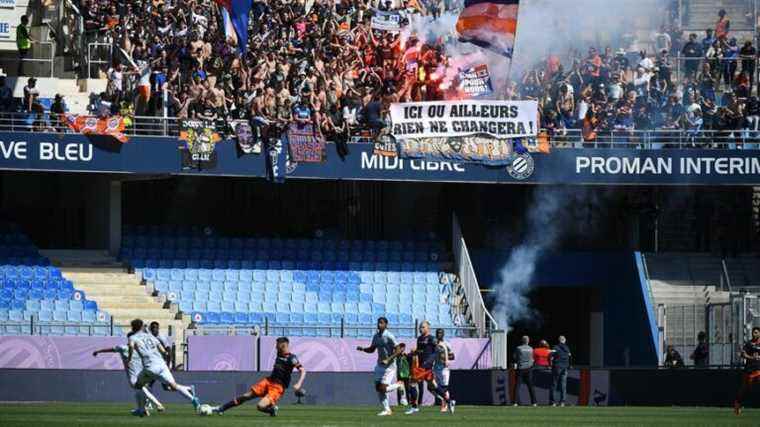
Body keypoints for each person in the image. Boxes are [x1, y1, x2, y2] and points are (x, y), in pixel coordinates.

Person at [212, 337, 305, 417]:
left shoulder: (292, 358)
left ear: (284, 345)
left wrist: (298, 383)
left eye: (277, 345)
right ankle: (222, 408)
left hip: (277, 387)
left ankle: (271, 410)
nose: (276, 346)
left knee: (260, 406)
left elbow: (303, 371)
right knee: (246, 396)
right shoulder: (279, 353)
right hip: (268, 381)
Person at [128, 319, 200, 416]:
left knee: (138, 386)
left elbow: (131, 347)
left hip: (150, 367)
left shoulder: (133, 337)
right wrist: (166, 357)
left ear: (133, 328)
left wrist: (129, 358)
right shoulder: (150, 336)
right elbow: (163, 351)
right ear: (141, 327)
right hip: (162, 365)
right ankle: (194, 400)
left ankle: (141, 410)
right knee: (174, 385)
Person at [93, 332, 165, 415]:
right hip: (143, 374)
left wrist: (98, 351)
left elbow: (110, 349)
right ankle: (141, 410)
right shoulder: (140, 349)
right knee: (138, 392)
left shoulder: (123, 348)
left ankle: (158, 405)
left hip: (133, 376)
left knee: (142, 391)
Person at [357, 317, 406, 416]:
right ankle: (387, 410)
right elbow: (372, 349)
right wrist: (363, 349)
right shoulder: (376, 336)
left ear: (386, 325)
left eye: (382, 323)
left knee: (382, 388)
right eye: (378, 323)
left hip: (390, 366)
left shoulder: (389, 336)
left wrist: (388, 359)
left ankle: (399, 385)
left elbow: (398, 350)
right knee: (378, 388)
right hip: (379, 365)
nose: (379, 325)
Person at [406, 320, 437, 415]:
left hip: (426, 366)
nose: (420, 329)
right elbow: (420, 351)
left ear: (428, 328)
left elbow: (436, 351)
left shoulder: (432, 338)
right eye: (420, 327)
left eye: (423, 327)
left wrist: (430, 361)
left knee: (412, 382)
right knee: (432, 386)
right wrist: (412, 353)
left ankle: (414, 407)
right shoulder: (419, 339)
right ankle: (446, 399)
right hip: (421, 365)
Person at [734, 327, 760, 416]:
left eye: (756, 332)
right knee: (745, 389)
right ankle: (737, 404)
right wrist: (752, 357)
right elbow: (743, 354)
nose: (754, 334)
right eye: (753, 333)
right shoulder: (749, 344)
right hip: (749, 370)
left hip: (758, 370)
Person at [433, 328, 455, 414]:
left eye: (441, 333)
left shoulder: (447, 344)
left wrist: (445, 358)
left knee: (444, 388)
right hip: (436, 368)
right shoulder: (434, 344)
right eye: (438, 333)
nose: (439, 334)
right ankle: (448, 401)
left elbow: (453, 356)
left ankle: (444, 405)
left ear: (443, 334)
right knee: (435, 388)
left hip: (444, 369)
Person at [513, 336, 536, 407]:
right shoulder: (531, 349)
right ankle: (534, 402)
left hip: (520, 368)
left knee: (517, 386)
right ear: (528, 341)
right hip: (529, 368)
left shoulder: (518, 348)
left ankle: (515, 402)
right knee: (530, 386)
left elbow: (514, 357)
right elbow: (533, 359)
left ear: (522, 341)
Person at [550, 336, 572, 407]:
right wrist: (569, 365)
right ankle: (562, 402)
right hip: (565, 368)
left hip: (557, 367)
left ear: (559, 340)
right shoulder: (567, 348)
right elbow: (570, 357)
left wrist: (551, 363)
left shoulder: (555, 347)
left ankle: (553, 402)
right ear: (564, 341)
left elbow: (550, 356)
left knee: (554, 384)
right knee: (563, 385)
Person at [396, 343, 411, 408]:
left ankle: (408, 401)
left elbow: (409, 364)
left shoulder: (406, 356)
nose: (401, 349)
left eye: (402, 347)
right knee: (399, 388)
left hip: (406, 374)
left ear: (404, 348)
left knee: (407, 388)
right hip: (399, 374)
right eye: (400, 347)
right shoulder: (397, 356)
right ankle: (400, 401)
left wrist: (410, 373)